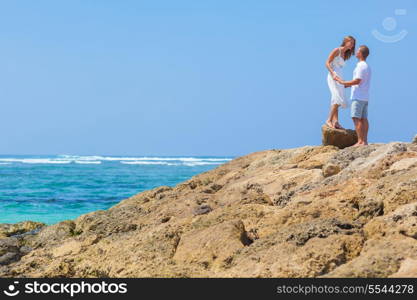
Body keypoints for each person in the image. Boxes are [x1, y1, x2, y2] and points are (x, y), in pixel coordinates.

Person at [335, 45, 371, 147]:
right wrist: (347, 85)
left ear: (361, 53)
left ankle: (360, 141)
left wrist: (343, 82)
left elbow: (357, 80)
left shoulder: (360, 66)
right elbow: (361, 82)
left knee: (356, 118)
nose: (356, 51)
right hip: (364, 96)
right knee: (364, 119)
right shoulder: (367, 66)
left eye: (358, 50)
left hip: (358, 96)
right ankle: (365, 141)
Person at [325, 36, 356, 129]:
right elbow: (327, 63)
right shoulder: (337, 50)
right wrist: (333, 74)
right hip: (333, 76)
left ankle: (336, 122)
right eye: (351, 42)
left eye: (353, 43)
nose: (352, 45)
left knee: (337, 98)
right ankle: (329, 120)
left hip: (339, 76)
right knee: (337, 98)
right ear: (345, 41)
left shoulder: (345, 54)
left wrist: (343, 82)